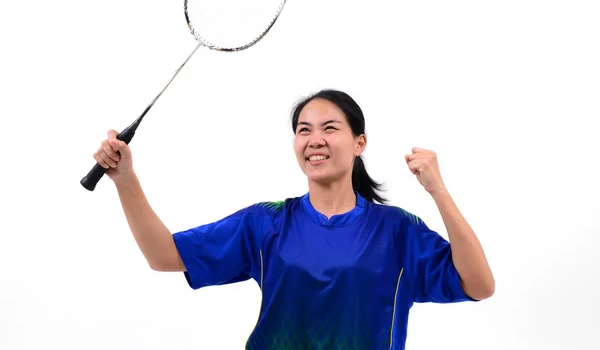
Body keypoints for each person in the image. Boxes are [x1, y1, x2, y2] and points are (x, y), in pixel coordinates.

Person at [93, 89, 495, 350]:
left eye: (329, 128)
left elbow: (479, 285)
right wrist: (125, 179)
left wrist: (438, 191)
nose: (314, 139)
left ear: (359, 143)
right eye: (303, 130)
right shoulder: (267, 223)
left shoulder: (397, 231)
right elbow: (164, 256)